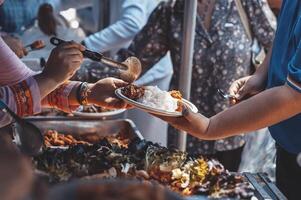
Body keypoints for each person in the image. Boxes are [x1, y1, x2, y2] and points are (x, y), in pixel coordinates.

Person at [154, 1, 301, 198]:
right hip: (287, 144)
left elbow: (294, 96)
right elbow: (284, 34)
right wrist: (261, 75)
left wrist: (209, 127)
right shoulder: (171, 7)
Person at [117, 0, 275, 171]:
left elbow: (278, 44)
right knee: (180, 187)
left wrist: (259, 78)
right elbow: (133, 62)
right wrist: (87, 70)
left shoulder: (245, 3)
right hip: (185, 130)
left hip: (231, 130)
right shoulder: (171, 9)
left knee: (225, 193)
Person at [73, 0, 173, 146]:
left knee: (146, 141)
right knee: (123, 138)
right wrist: (52, 5)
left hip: (147, 73)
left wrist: (85, 46)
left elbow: (132, 24)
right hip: (118, 69)